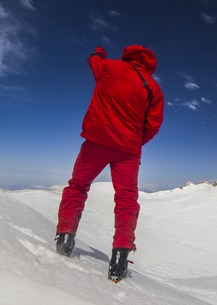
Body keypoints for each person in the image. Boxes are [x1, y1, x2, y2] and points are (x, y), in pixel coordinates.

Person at [55, 45, 164, 282]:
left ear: (128, 55)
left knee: (77, 187)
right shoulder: (153, 89)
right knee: (126, 200)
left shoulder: (109, 67)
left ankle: (65, 236)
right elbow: (153, 125)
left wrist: (98, 52)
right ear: (150, 64)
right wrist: (134, 141)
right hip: (128, 151)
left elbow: (93, 61)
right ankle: (119, 260)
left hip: (97, 140)